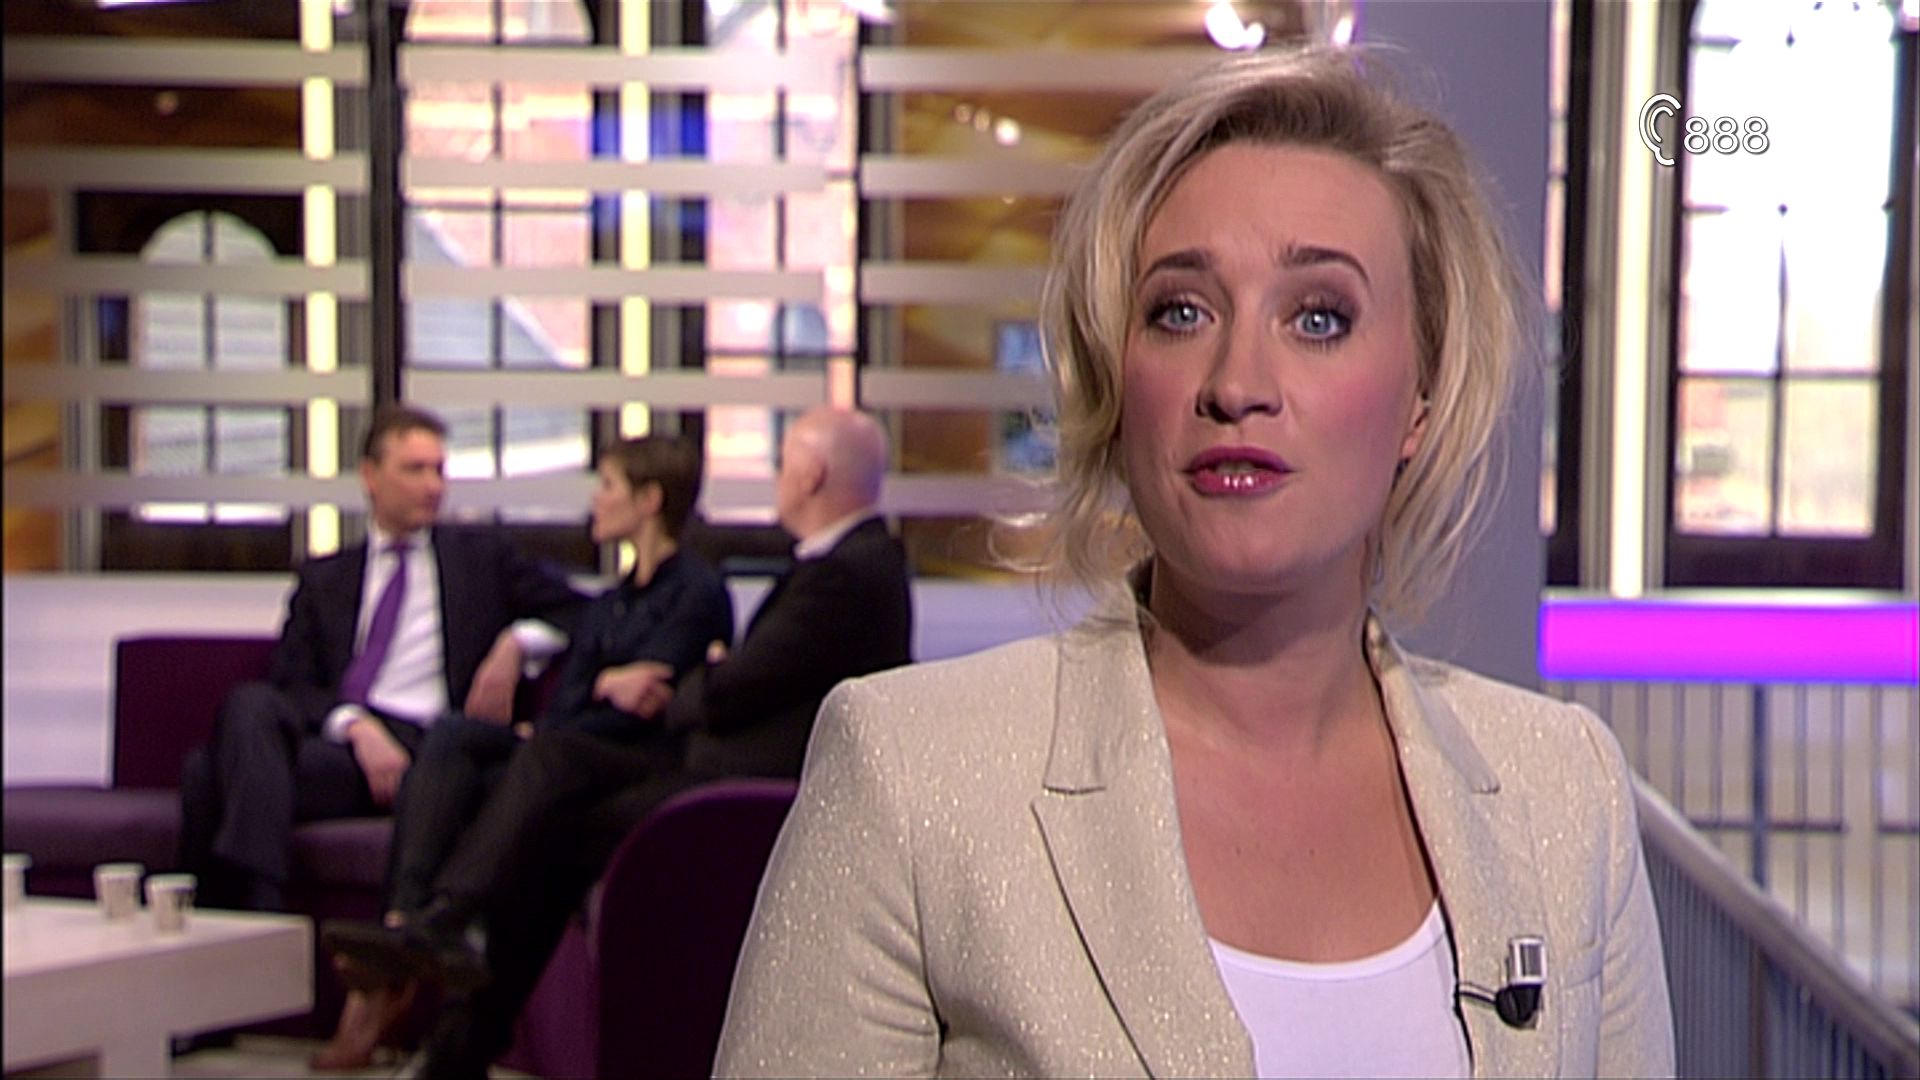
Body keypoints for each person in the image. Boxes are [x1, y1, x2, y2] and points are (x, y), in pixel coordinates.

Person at [714, 47, 1674, 1078]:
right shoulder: (910, 776)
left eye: (1319, 317)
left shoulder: (1565, 794)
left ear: (1420, 401)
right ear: (1116, 380)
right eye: (1181, 312)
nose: (1236, 382)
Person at [331, 405, 914, 1080]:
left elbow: (727, 691)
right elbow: (717, 681)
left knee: (555, 797)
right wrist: (706, 674)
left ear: (811, 474)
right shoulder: (832, 564)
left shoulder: (846, 572)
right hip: (712, 773)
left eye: (782, 464)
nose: (775, 477)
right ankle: (450, 992)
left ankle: (452, 962)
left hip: (750, 795)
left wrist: (698, 680)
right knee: (530, 799)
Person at [308, 433, 734, 1071]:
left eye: (608, 486)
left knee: (545, 762)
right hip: (572, 746)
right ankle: (410, 918)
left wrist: (590, 703)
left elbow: (644, 709)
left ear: (649, 500)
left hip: (637, 763)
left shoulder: (696, 592)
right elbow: (583, 696)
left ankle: (456, 916)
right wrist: (600, 689)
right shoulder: (613, 600)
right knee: (454, 736)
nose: (595, 500)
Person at [178, 404, 583, 914]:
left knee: (207, 773)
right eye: (415, 470)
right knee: (248, 705)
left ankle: (244, 919)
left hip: (430, 753)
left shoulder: (481, 559)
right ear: (370, 476)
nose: (433, 486)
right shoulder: (326, 577)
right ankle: (261, 907)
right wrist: (356, 726)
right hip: (347, 753)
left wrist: (514, 645)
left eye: (439, 470)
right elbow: (292, 685)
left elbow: (581, 612)